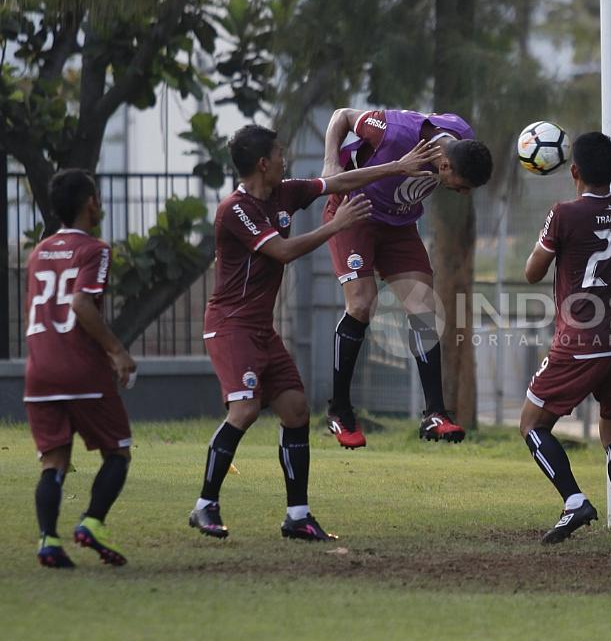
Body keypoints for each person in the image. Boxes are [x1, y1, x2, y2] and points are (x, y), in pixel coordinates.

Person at [188, 124, 438, 541]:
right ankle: (204, 506)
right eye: (281, 152)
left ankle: (297, 516)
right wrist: (336, 226)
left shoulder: (285, 191)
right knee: (245, 410)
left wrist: (399, 166)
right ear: (264, 164)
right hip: (230, 326)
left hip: (260, 329)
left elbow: (340, 180)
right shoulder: (236, 209)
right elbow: (282, 252)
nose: (286, 159)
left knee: (296, 410)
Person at [320, 107, 494, 448]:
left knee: (425, 309)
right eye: (461, 187)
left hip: (398, 224)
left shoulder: (461, 135)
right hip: (353, 211)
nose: (463, 193)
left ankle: (435, 414)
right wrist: (330, 163)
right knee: (362, 304)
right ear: (444, 166)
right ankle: (339, 411)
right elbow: (341, 115)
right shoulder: (392, 131)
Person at [519, 132, 611, 546]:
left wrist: (551, 241)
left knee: (532, 423)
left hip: (582, 338)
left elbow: (531, 272)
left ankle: (575, 500)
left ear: (573, 170)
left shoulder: (564, 213)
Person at [25, 169, 138, 568]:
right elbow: (80, 304)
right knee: (118, 452)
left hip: (39, 371)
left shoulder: (38, 252)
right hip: (80, 370)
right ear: (91, 203)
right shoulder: (95, 250)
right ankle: (91, 522)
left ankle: (48, 541)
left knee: (53, 463)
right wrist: (117, 352)